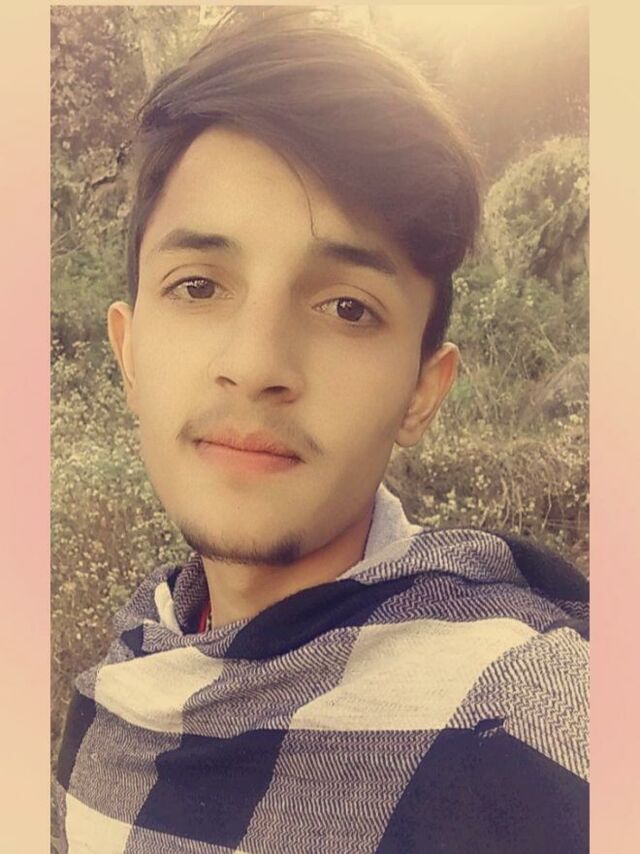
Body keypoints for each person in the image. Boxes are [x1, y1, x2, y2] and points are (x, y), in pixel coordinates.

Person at [55, 12, 588, 853]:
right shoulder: (125, 675)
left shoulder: (532, 718)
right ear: (128, 350)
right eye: (198, 286)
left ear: (421, 391)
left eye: (347, 307)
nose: (255, 364)